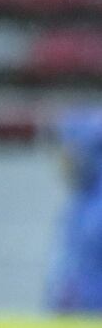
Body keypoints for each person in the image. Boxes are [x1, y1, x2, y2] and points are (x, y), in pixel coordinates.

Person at [46, 107, 102, 314]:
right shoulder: (81, 203)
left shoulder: (95, 209)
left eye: (67, 150)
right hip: (75, 327)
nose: (61, 161)